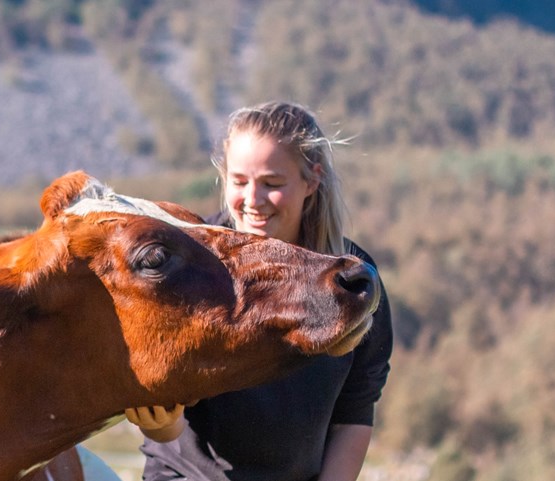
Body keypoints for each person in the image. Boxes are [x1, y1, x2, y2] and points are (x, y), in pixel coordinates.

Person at [124, 101, 393, 481]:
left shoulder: (353, 282)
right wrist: (162, 427)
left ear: (311, 180)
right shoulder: (189, 265)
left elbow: (355, 409)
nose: (252, 199)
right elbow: (160, 406)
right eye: (239, 181)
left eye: (272, 183)